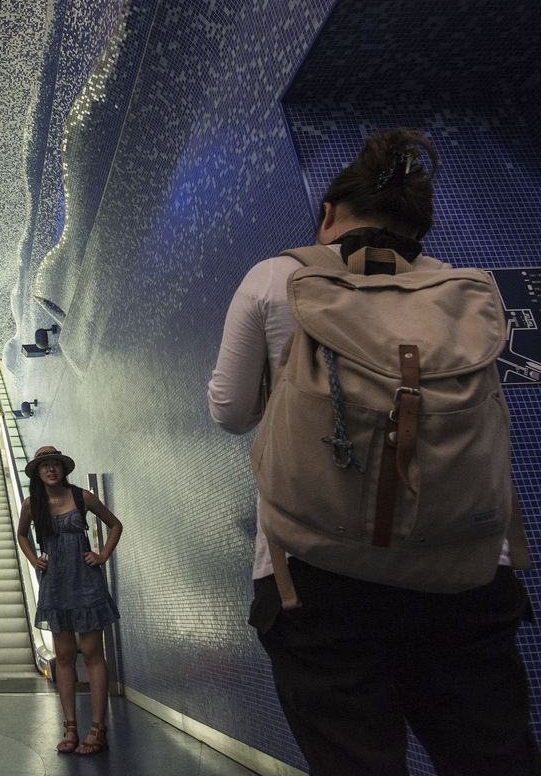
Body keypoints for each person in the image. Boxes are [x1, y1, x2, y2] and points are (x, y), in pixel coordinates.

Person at [207, 128, 539, 775]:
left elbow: (229, 411)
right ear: (419, 224)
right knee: (492, 756)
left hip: (318, 572)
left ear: (328, 215)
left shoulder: (278, 278)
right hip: (467, 568)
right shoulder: (466, 294)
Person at [16, 446, 121, 755]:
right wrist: (34, 559)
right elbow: (22, 535)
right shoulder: (31, 505)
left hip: (87, 582)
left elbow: (115, 524)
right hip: (55, 585)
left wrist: (102, 555)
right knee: (63, 656)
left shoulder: (81, 497)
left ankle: (97, 728)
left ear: (63, 469)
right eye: (45, 466)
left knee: (91, 652)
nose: (51, 470)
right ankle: (71, 728)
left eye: (55, 465)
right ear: (37, 472)